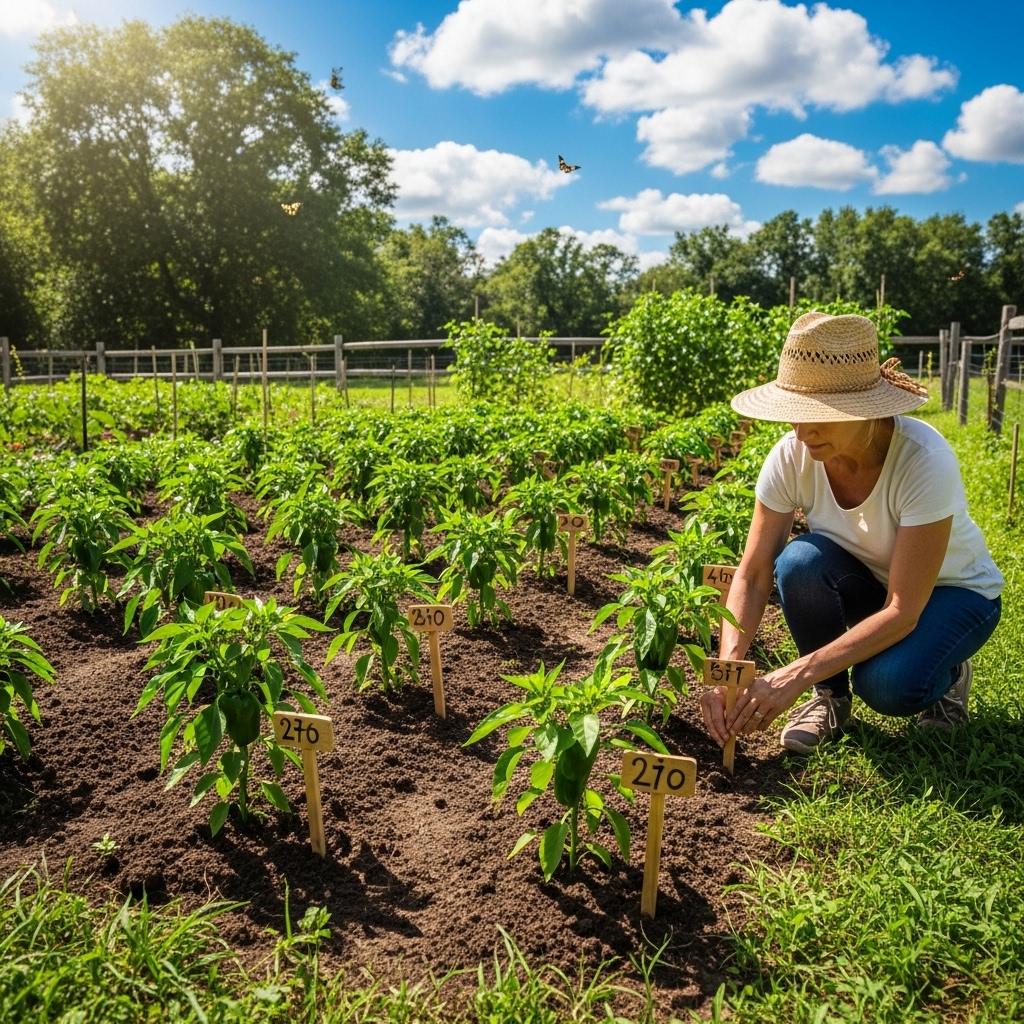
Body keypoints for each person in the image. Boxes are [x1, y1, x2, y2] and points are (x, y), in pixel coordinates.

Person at [700, 312, 1003, 754]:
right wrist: (729, 668)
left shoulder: (923, 460)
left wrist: (791, 675)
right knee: (799, 561)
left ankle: (949, 674)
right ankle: (830, 698)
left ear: (865, 409)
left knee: (886, 684)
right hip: (873, 585)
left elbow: (903, 609)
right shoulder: (791, 455)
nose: (801, 431)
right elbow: (754, 571)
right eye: (794, 414)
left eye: (818, 416)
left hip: (953, 594)